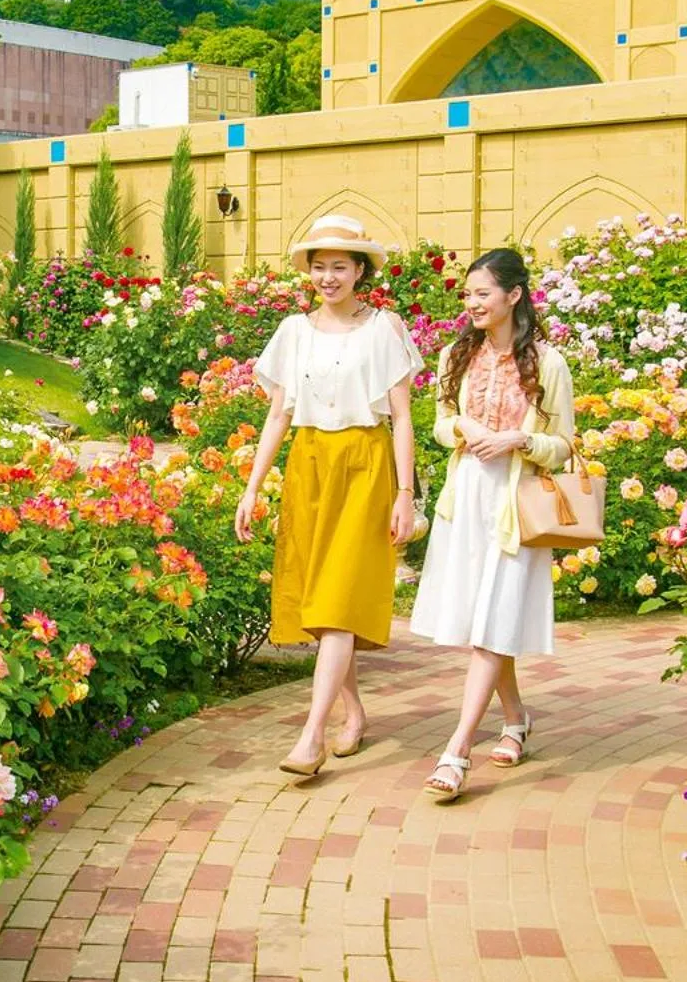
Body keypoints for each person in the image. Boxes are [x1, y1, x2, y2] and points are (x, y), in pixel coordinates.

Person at [236, 214, 423, 777]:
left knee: (338, 599)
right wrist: (252, 487)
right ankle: (354, 713)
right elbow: (278, 415)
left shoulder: (384, 327)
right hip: (309, 466)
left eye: (340, 266)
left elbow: (403, 417)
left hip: (365, 466)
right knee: (319, 604)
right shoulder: (293, 331)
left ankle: (310, 737)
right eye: (319, 267)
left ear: (360, 270)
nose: (328, 277)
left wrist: (405, 493)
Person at [410, 248, 576, 801]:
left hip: (516, 502)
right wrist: (462, 428)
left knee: (491, 623)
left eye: (482, 293)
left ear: (513, 295)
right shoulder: (457, 355)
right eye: (468, 294)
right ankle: (517, 718)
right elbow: (437, 424)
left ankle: (457, 752)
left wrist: (518, 439)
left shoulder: (547, 363)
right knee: (483, 622)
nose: (472, 303)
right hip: (466, 502)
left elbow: (563, 445)